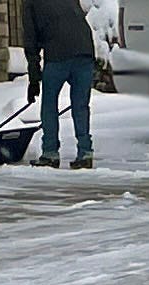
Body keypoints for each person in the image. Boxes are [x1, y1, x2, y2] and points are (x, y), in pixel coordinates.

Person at [26, 0, 99, 168]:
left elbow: (31, 39)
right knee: (80, 106)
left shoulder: (31, 3)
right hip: (84, 50)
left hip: (58, 54)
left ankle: (50, 153)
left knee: (49, 104)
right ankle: (85, 153)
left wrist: (34, 78)